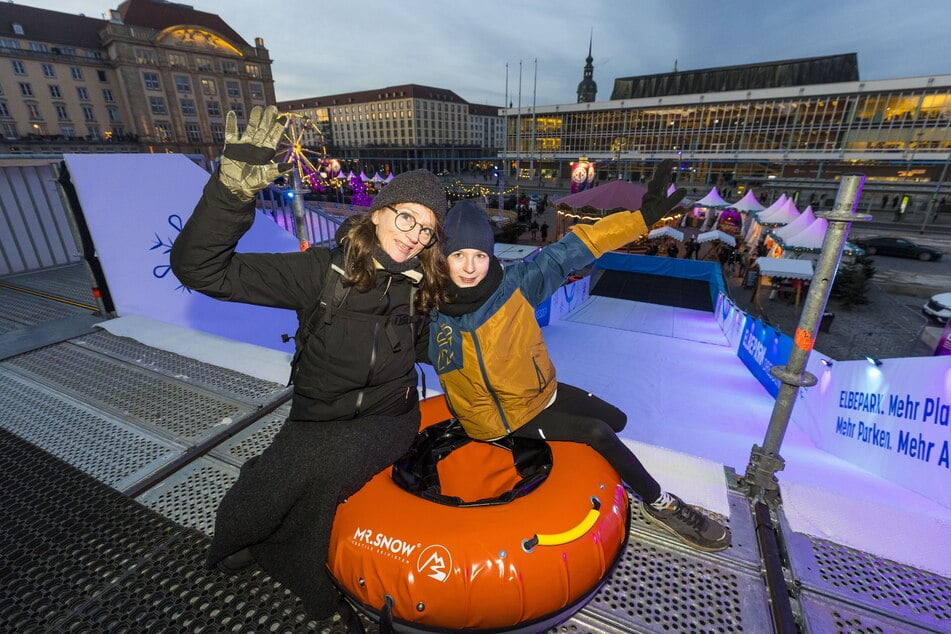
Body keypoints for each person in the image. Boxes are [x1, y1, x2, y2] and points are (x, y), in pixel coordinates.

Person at [170, 105, 450, 630]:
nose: (414, 235)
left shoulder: (422, 290)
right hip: (316, 416)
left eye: (428, 230)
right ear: (379, 213)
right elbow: (200, 269)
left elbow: (440, 341)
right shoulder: (319, 273)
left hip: (387, 420)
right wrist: (230, 194)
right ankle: (266, 519)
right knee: (251, 507)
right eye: (407, 217)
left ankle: (309, 573)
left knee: (321, 478)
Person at [428, 162, 730, 553]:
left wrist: (639, 221)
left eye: (479, 256)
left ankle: (571, 459)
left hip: (539, 393)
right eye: (458, 256)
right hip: (498, 420)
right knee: (597, 433)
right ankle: (660, 504)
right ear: (442, 258)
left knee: (616, 419)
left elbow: (573, 248)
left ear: (491, 255)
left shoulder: (515, 287)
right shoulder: (429, 307)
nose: (469, 267)